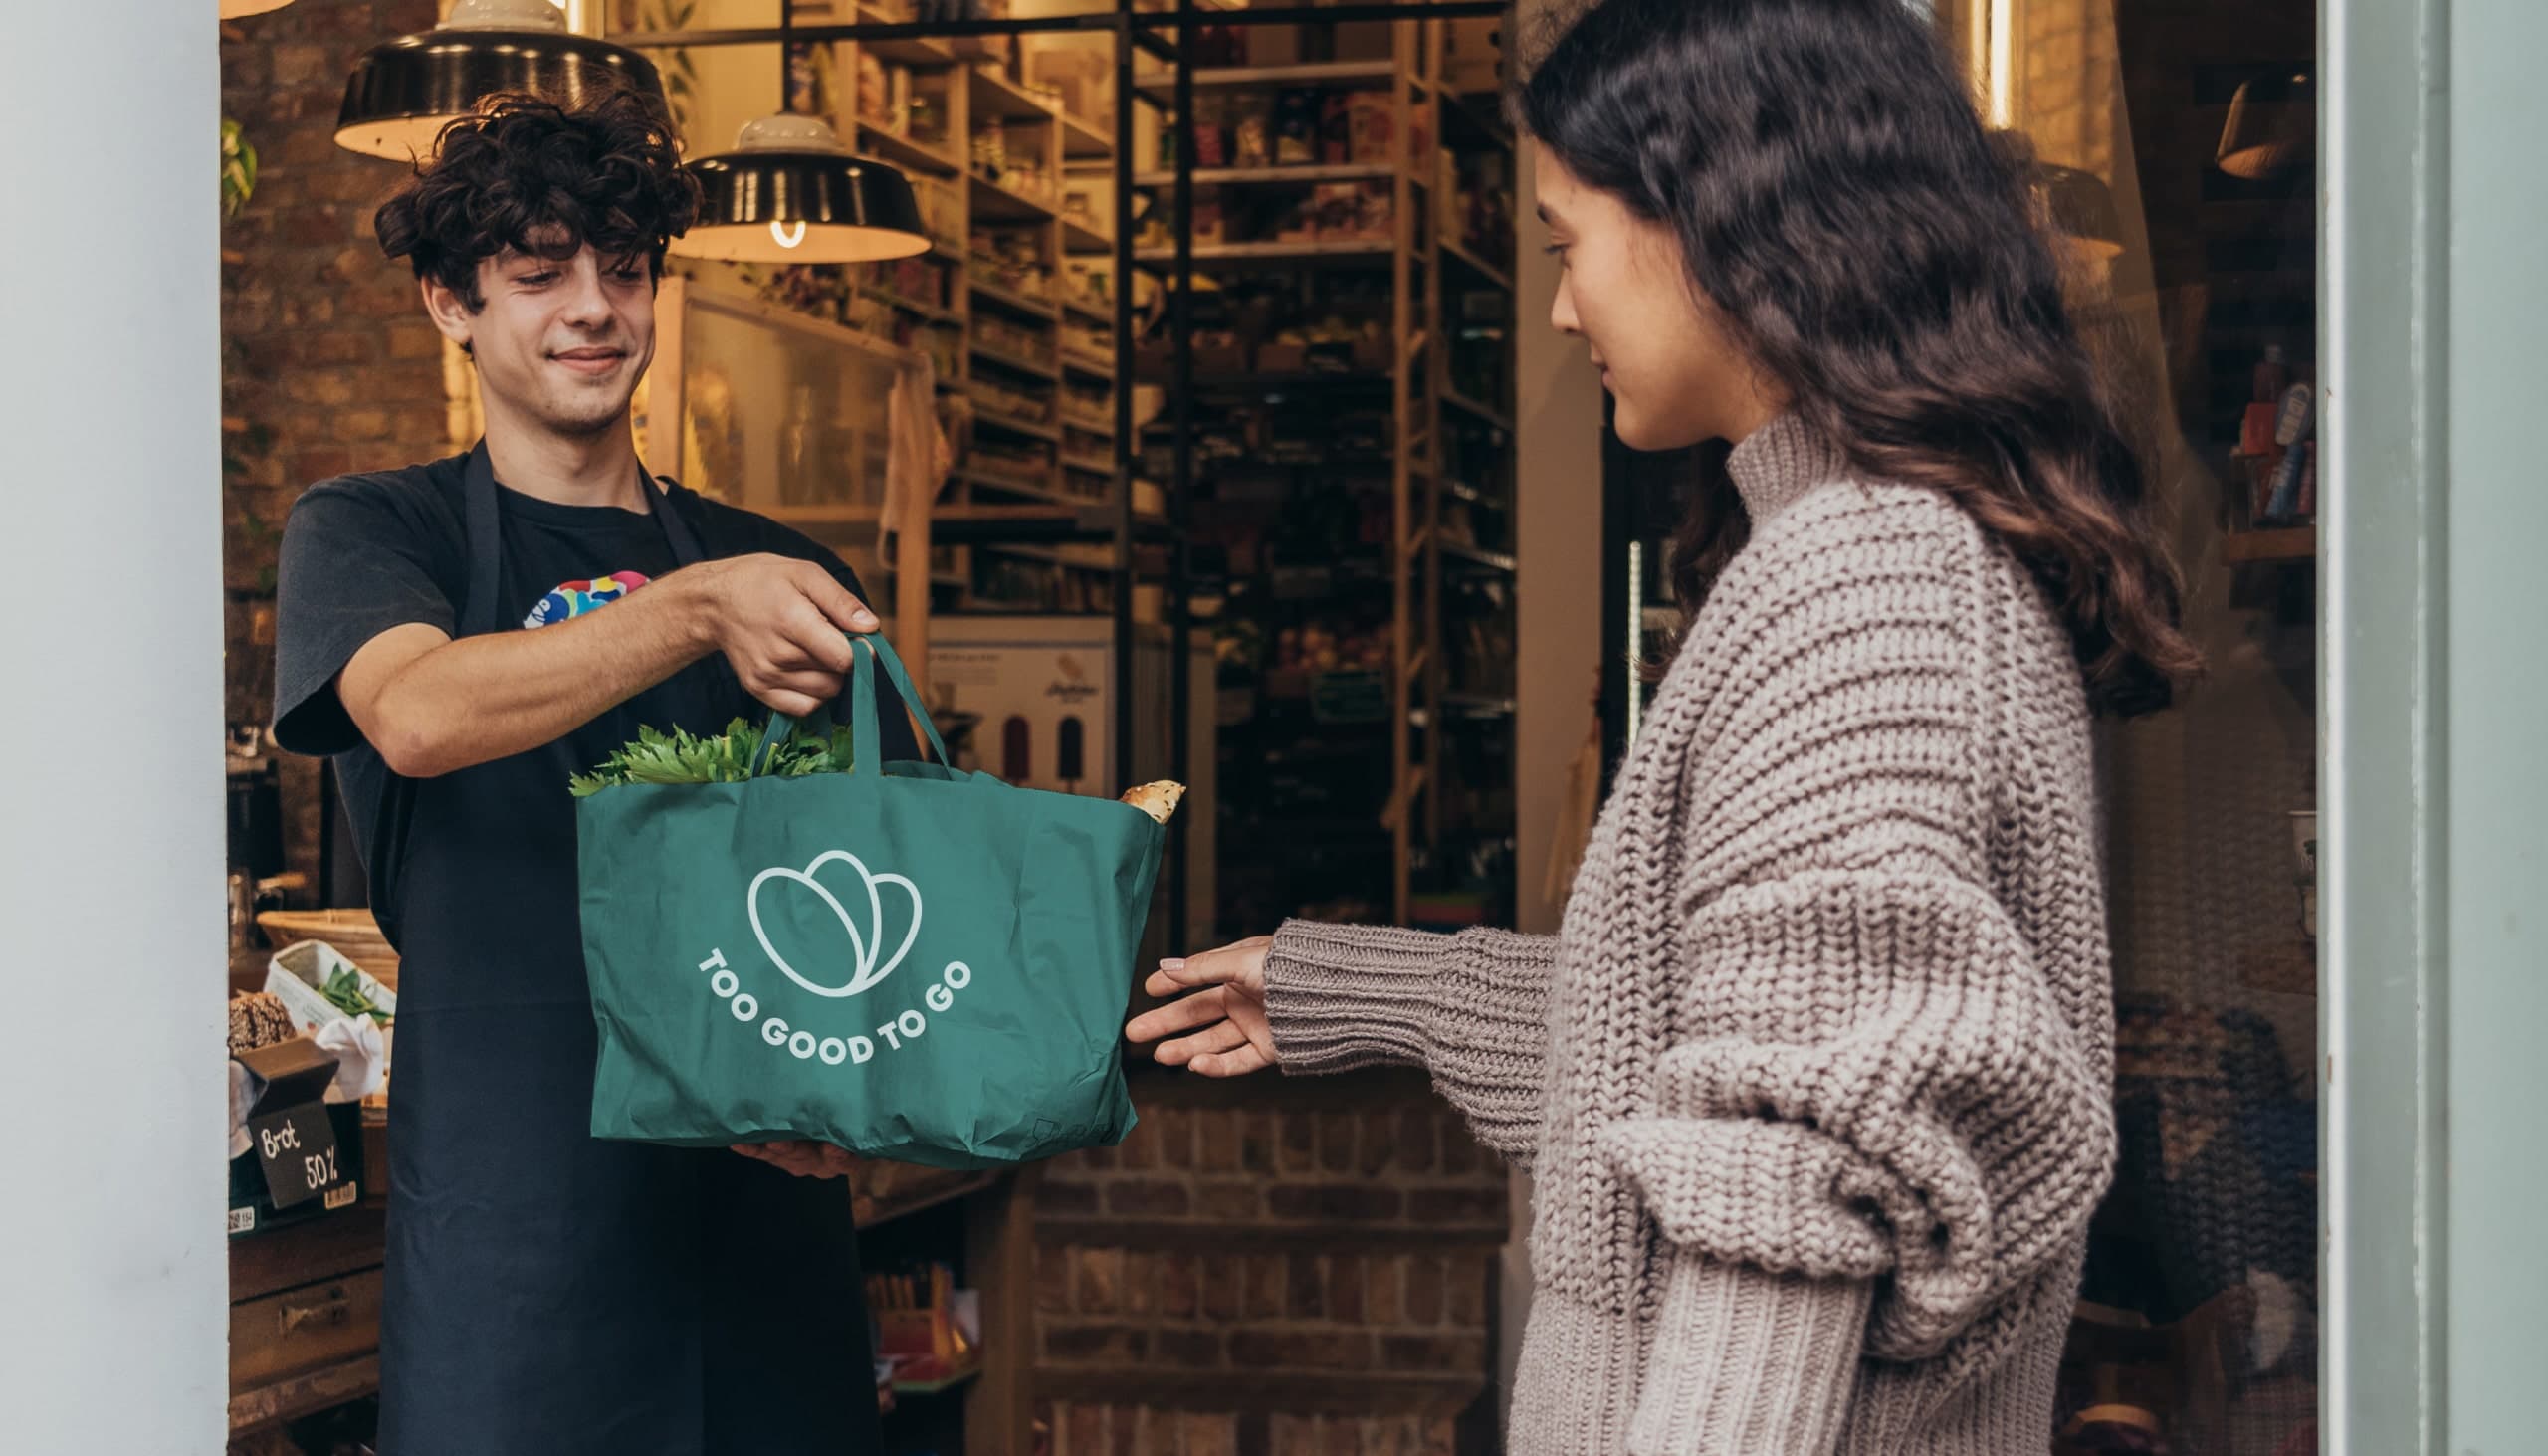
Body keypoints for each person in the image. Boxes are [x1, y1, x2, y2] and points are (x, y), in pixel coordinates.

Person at [1128, 0, 2204, 1450]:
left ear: (1722, 225)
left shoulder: (1864, 585)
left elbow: (1789, 1178)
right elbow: (1694, 1035)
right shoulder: (1877, 554)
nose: (1563, 308)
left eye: (1569, 244)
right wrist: (1355, 989)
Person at [271, 90, 913, 1455]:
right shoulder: (379, 531)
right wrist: (689, 609)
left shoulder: (780, 571)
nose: (594, 309)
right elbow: (419, 717)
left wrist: (872, 1104)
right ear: (452, 302)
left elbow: (892, 897)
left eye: (625, 269)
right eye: (539, 271)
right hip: (520, 1249)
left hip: (762, 1244)